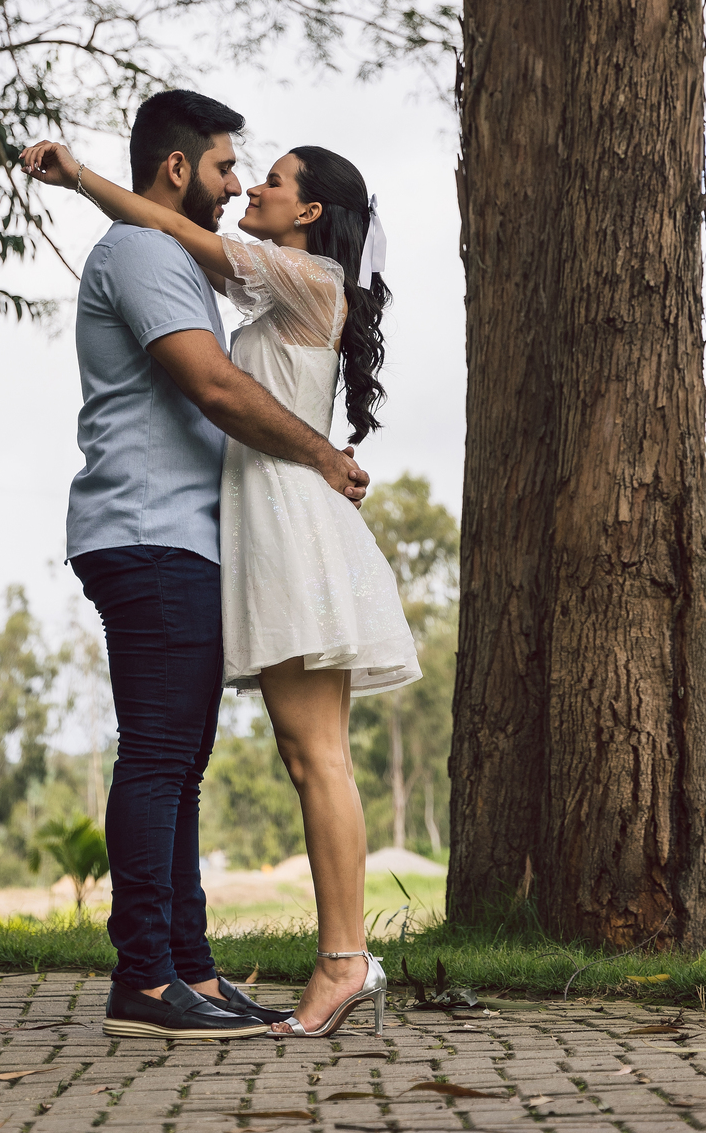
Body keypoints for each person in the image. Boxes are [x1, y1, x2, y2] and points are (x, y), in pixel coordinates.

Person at [22, 107, 420, 1040]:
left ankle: (340, 962)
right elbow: (186, 284)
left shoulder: (302, 275)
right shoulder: (228, 269)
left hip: (286, 523)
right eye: (235, 168)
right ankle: (185, 973)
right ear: (178, 165)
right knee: (276, 754)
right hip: (239, 527)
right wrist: (86, 182)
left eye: (269, 177)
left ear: (311, 213)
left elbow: (183, 238)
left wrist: (79, 177)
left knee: (308, 754)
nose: (247, 185)